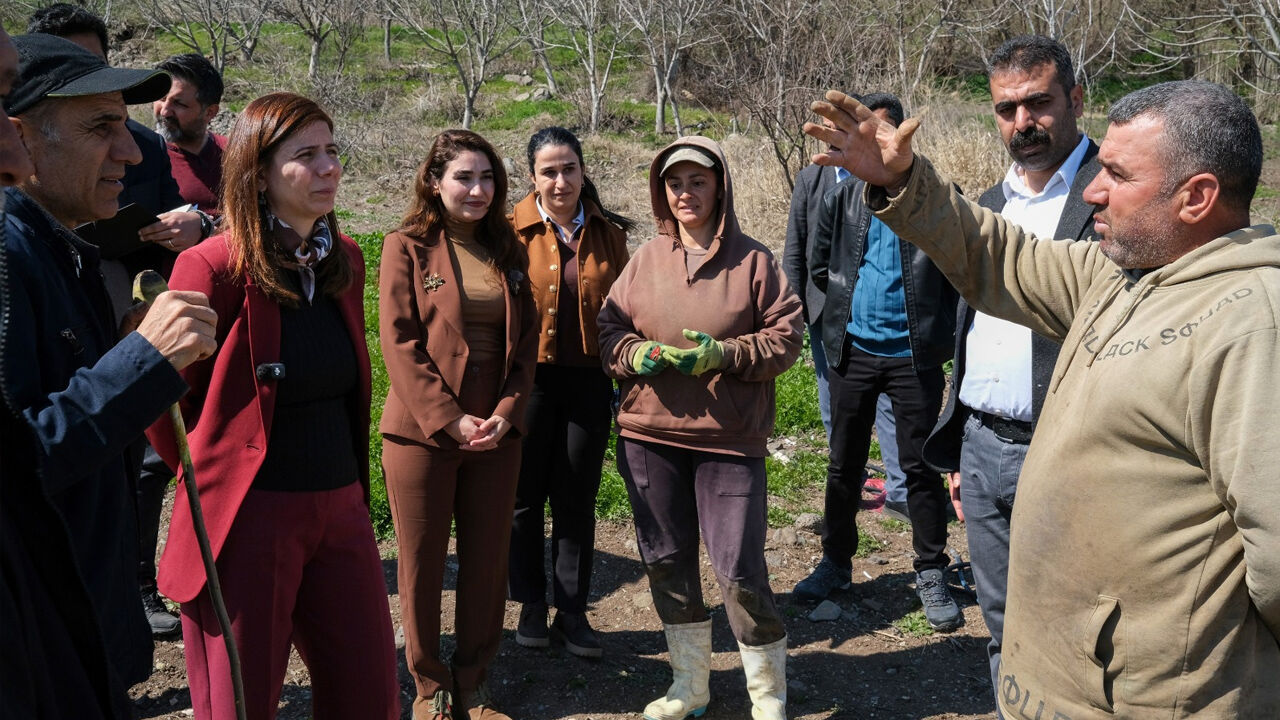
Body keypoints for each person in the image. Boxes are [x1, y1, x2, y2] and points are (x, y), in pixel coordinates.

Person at [806, 80, 1278, 718]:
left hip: (1145, 699)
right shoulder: (1121, 277)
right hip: (1059, 684)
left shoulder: (1252, 327)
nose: (1092, 190)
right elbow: (995, 254)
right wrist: (905, 181)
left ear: (1196, 197)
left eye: (1116, 173)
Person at [146, 92, 399, 720]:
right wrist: (210, 479)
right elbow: (161, 406)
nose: (327, 168)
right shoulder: (211, 267)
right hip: (249, 518)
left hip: (340, 507)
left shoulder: (344, 261)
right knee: (241, 703)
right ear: (258, 172)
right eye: (305, 155)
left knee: (368, 693)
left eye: (332, 152)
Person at [1, 31, 216, 712]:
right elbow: (16, 468)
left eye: (125, 126)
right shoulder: (7, 256)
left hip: (79, 630)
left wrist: (124, 355)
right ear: (20, 136)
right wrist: (139, 363)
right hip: (39, 651)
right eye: (101, 127)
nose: (130, 152)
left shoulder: (66, 247)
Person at [920, 35, 1100, 710]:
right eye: (1005, 109)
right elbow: (975, 334)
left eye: (1037, 103)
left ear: (1076, 100)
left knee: (1075, 625)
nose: (1021, 123)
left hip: (1070, 450)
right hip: (984, 445)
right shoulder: (987, 205)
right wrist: (965, 444)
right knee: (1002, 624)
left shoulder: (1112, 196)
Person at [599, 136, 803, 720]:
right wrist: (634, 354)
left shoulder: (754, 261)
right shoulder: (645, 259)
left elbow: (786, 337)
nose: (686, 193)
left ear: (720, 186)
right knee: (665, 558)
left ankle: (767, 695)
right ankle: (690, 685)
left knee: (738, 566)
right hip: (648, 435)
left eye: (698, 181)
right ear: (662, 192)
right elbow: (609, 328)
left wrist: (725, 356)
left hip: (727, 440)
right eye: (675, 183)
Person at [380, 129, 538, 720]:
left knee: (487, 558)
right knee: (421, 563)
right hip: (422, 432)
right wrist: (449, 419)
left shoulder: (508, 248)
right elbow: (399, 342)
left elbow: (526, 348)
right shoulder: (406, 246)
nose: (477, 190)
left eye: (487, 178)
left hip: (495, 433)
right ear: (435, 181)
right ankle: (429, 686)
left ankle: (474, 677)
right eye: (464, 178)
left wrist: (503, 413)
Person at [791, 93, 962, 632]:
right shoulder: (840, 201)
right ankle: (835, 562)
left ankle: (931, 571)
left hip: (915, 357)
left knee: (920, 469)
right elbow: (821, 266)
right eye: (868, 138)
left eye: (886, 136)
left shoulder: (938, 198)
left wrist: (942, 338)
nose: (877, 148)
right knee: (843, 465)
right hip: (853, 350)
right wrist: (837, 320)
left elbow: (958, 272)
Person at [507, 126, 631, 658]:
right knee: (524, 496)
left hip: (587, 381)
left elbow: (625, 308)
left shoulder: (609, 234)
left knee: (576, 496)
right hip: (527, 381)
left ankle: (573, 611)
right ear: (532, 177)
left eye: (569, 169)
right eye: (548, 171)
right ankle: (531, 604)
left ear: (583, 170)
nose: (560, 181)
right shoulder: (506, 230)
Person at [783, 115, 907, 520]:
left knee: (888, 403)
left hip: (877, 312)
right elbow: (796, 247)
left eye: (837, 127)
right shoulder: (810, 180)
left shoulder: (886, 177)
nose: (830, 135)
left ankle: (901, 490)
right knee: (831, 400)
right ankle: (846, 487)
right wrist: (794, 307)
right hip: (825, 309)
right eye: (823, 127)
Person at [154, 52, 226, 215]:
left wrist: (206, 227)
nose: (165, 111)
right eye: (161, 98)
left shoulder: (234, 155)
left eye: (179, 103)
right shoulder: (137, 157)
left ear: (210, 112)